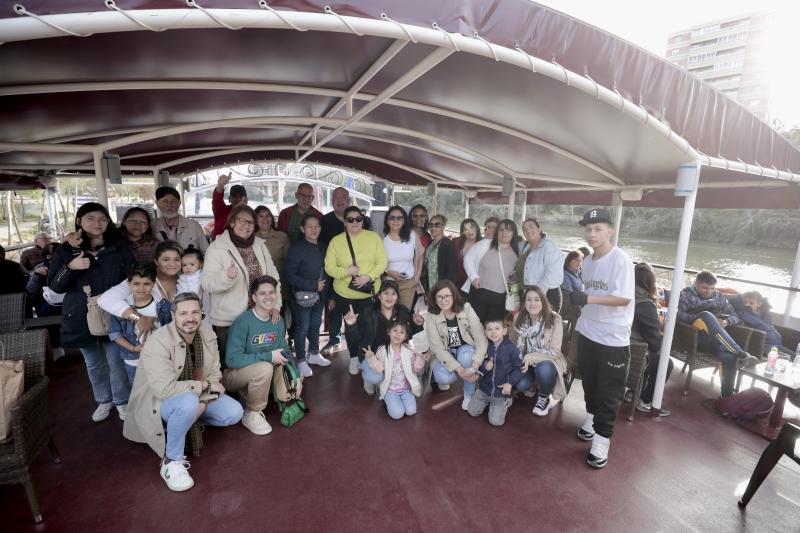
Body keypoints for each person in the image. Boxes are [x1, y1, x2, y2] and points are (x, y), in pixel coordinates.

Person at [123, 292, 243, 492]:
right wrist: (204, 387)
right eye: (184, 313)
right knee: (187, 402)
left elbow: (214, 374)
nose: (190, 318)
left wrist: (203, 401)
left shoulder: (207, 334)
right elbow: (165, 389)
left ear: (201, 314)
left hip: (195, 397)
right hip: (158, 402)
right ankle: (171, 461)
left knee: (234, 412)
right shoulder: (158, 341)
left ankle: (185, 419)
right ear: (173, 316)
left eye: (195, 312)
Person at [48, 202, 134, 422]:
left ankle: (122, 401)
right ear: (79, 221)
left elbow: (131, 278)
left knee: (116, 360)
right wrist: (71, 267)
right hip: (79, 313)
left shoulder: (119, 246)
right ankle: (104, 400)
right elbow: (55, 286)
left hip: (113, 310)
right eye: (90, 218)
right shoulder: (66, 249)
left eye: (102, 219)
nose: (97, 223)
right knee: (93, 361)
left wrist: (110, 298)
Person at [568, 208, 634, 469]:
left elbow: (624, 298)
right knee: (590, 383)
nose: (592, 234)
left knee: (609, 391)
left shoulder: (621, 260)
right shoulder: (590, 260)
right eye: (588, 229)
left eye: (597, 228)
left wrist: (588, 298)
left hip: (612, 338)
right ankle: (592, 418)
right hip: (587, 331)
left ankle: (602, 439)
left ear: (610, 230)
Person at [202, 205, 282, 358]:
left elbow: (273, 277)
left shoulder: (259, 245)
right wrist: (226, 277)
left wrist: (275, 305)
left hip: (259, 316)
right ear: (232, 222)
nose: (246, 226)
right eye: (242, 221)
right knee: (233, 364)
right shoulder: (217, 248)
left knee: (258, 360)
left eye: (250, 222)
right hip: (230, 321)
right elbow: (207, 283)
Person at [224, 276, 292, 436]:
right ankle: (251, 412)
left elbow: (283, 348)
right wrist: (268, 356)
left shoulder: (278, 320)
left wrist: (292, 369)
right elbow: (232, 360)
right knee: (264, 367)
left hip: (261, 373)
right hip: (234, 376)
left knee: (287, 372)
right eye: (262, 294)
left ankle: (255, 395)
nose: (268, 297)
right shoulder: (243, 322)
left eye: (271, 292)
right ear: (254, 297)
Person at [325, 206, 388, 375]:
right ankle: (353, 356)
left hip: (368, 292)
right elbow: (329, 268)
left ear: (363, 220)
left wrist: (369, 276)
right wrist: (347, 272)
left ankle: (364, 356)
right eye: (350, 219)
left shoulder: (374, 237)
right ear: (344, 222)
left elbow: (382, 262)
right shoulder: (336, 241)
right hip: (345, 294)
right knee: (350, 326)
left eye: (358, 219)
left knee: (368, 326)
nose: (355, 222)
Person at [677, 270, 758, 398]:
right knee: (707, 316)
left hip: (716, 339)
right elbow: (678, 314)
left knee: (729, 357)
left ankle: (727, 398)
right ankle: (741, 353)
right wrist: (700, 317)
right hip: (695, 338)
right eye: (704, 288)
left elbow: (735, 316)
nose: (709, 291)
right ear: (696, 283)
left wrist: (726, 322)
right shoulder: (685, 295)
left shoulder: (719, 297)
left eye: (712, 288)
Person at [344, 278, 424, 395]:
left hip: (395, 354)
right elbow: (357, 340)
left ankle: (392, 384)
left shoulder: (403, 312)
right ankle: (369, 380)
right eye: (385, 293)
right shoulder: (368, 313)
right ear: (379, 296)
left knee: (418, 369)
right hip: (373, 356)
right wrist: (352, 326)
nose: (389, 297)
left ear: (397, 298)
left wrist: (417, 324)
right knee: (375, 377)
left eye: (393, 294)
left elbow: (408, 334)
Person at [318, 187, 369, 356]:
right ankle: (334, 340)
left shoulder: (364, 220)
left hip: (359, 276)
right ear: (332, 200)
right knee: (334, 310)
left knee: (356, 313)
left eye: (343, 197)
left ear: (349, 200)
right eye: (336, 197)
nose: (340, 200)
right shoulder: (324, 221)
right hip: (333, 274)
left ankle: (357, 345)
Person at [425, 280, 488, 409]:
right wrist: (461, 371)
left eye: (447, 296)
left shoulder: (466, 308)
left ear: (453, 295)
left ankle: (469, 394)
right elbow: (437, 348)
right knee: (443, 377)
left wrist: (473, 368)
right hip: (447, 353)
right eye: (439, 297)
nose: (443, 300)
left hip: (466, 350)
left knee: (466, 355)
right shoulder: (431, 315)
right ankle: (461, 375)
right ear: (434, 298)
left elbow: (481, 339)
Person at [99, 240, 181, 335]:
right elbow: (105, 299)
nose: (172, 264)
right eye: (166, 259)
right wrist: (138, 318)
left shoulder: (186, 278)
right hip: (145, 339)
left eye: (177, 259)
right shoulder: (144, 278)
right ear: (156, 261)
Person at [285, 213, 331, 377]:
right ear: (302, 229)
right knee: (302, 327)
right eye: (309, 226)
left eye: (316, 226)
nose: (313, 230)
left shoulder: (323, 247)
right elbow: (290, 275)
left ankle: (314, 353)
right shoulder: (296, 249)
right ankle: (301, 360)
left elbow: (329, 272)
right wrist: (313, 285)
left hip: (320, 297)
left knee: (315, 325)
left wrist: (328, 295)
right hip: (302, 297)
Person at [510, 286, 568, 416]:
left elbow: (555, 351)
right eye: (529, 300)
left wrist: (531, 357)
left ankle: (544, 396)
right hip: (525, 362)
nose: (532, 303)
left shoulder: (554, 319)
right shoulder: (518, 318)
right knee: (520, 385)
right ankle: (531, 384)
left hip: (547, 361)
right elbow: (512, 345)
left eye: (537, 299)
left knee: (544, 369)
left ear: (543, 301)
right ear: (524, 303)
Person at [631, 263, 673, 416]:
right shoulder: (645, 305)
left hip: (616, 348)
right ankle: (646, 401)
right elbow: (653, 342)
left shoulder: (621, 296)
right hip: (633, 355)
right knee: (665, 363)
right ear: (650, 282)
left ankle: (633, 391)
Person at [108, 263, 160, 386]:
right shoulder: (122, 306)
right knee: (138, 395)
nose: (141, 288)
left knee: (160, 393)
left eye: (146, 284)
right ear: (129, 284)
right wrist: (133, 349)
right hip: (133, 360)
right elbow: (115, 334)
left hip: (160, 358)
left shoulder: (161, 305)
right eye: (136, 284)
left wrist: (154, 319)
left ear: (154, 284)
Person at [361, 320, 425, 420]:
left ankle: (397, 402)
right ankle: (389, 400)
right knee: (397, 414)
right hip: (390, 390)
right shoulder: (382, 350)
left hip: (406, 390)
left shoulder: (409, 350)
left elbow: (415, 369)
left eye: (402, 332)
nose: (398, 334)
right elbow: (378, 369)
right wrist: (371, 358)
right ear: (388, 332)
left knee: (411, 411)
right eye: (395, 330)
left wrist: (420, 357)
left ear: (405, 336)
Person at [467, 316, 524, 427]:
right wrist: (485, 366)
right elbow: (478, 365)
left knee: (496, 422)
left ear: (504, 331)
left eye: (497, 328)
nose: (493, 332)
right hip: (484, 389)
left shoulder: (511, 349)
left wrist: (510, 383)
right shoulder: (485, 347)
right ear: (485, 331)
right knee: (472, 412)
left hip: (501, 392)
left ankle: (507, 400)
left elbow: (519, 368)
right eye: (489, 329)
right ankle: (486, 402)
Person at [464, 219, 520, 323]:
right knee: (475, 326)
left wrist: (514, 297)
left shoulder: (517, 252)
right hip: (479, 293)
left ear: (514, 233)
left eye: (508, 230)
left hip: (500, 299)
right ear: (497, 232)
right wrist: (473, 276)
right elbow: (468, 258)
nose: (504, 233)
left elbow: (513, 278)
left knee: (494, 330)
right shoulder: (486, 244)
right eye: (501, 230)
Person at [517, 218, 564, 312]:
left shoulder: (549, 247)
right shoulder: (526, 246)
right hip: (529, 296)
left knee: (544, 326)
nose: (528, 230)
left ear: (539, 229)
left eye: (531, 227)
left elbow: (552, 275)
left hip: (546, 296)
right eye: (524, 229)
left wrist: (535, 295)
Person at [382, 205, 423, 310]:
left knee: (403, 316)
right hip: (387, 284)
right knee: (387, 316)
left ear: (404, 220)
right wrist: (388, 272)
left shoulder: (412, 235)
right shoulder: (381, 238)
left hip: (408, 284)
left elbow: (420, 256)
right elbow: (375, 262)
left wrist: (416, 278)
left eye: (400, 218)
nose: (396, 221)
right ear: (387, 220)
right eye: (392, 218)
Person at [729, 291, 793, 355]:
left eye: (751, 303)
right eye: (745, 302)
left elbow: (769, 326)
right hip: (765, 346)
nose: (747, 305)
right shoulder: (742, 313)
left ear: (759, 304)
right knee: (785, 358)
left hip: (778, 344)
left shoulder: (765, 313)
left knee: (795, 356)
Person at [153, 186, 209, 252]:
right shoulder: (153, 227)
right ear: (157, 203)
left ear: (179, 203)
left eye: (173, 201)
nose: (169, 205)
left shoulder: (194, 225)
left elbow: (206, 252)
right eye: (165, 201)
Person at [421, 214, 458, 295]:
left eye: (437, 225)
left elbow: (451, 271)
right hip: (430, 289)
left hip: (442, 290)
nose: (433, 228)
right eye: (430, 225)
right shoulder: (430, 244)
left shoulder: (447, 245)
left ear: (443, 226)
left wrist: (444, 290)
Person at [254, 205, 290, 275]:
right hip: (257, 281)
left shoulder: (282, 237)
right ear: (255, 219)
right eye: (261, 216)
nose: (265, 219)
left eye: (268, 215)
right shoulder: (250, 238)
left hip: (279, 280)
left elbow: (289, 262)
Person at [212, 172, 248, 239]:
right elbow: (217, 199)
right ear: (229, 199)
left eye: (241, 197)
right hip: (221, 247)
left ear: (246, 200)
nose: (238, 199)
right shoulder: (221, 211)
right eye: (235, 196)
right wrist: (220, 185)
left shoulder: (250, 215)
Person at [454, 218, 481, 289]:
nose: (470, 231)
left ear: (477, 228)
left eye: (472, 228)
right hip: (457, 283)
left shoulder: (483, 244)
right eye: (466, 229)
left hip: (475, 284)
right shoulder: (456, 242)